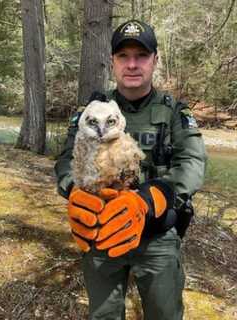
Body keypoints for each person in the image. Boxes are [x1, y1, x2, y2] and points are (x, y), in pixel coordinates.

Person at [55, 20, 207, 320]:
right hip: (101, 231)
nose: (133, 64)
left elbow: (192, 163)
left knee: (164, 314)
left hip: (157, 237)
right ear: (112, 61)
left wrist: (151, 200)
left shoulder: (174, 111)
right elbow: (65, 160)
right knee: (104, 315)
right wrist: (73, 190)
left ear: (155, 60)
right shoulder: (93, 112)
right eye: (123, 56)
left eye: (142, 55)